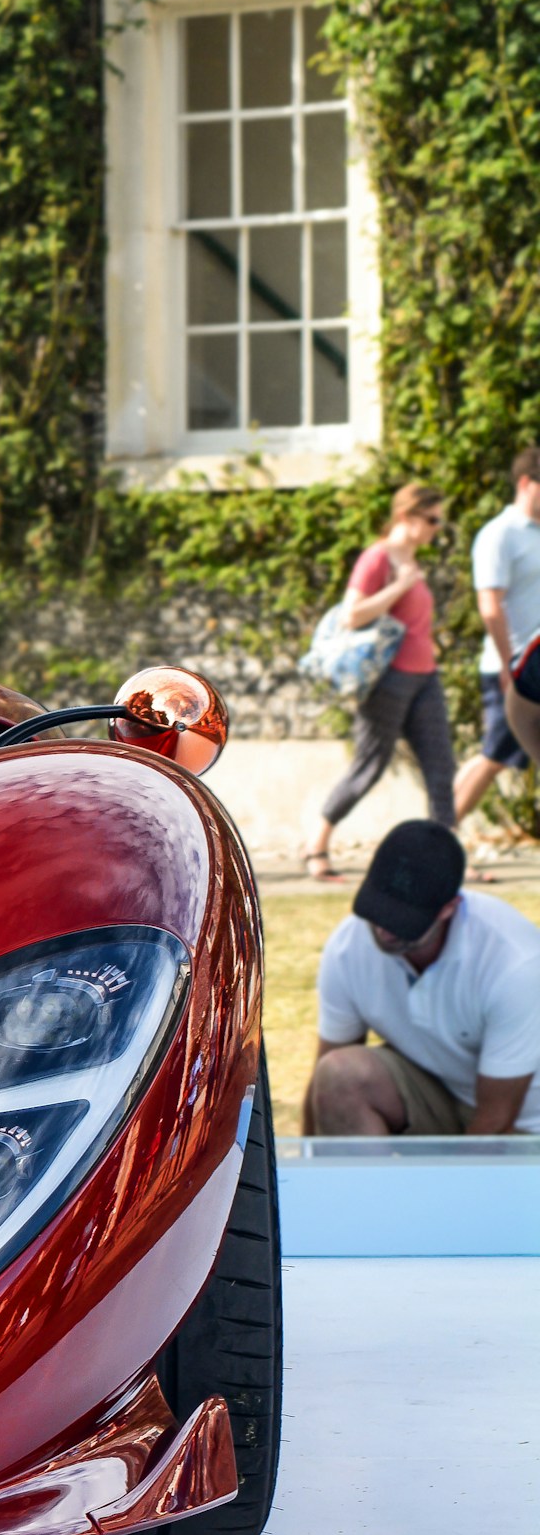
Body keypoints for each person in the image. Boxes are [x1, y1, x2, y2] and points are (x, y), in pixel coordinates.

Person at [306, 820, 540, 1135]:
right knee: (338, 1074)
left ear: (449, 908)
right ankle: (363, 1186)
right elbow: (324, 1072)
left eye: (402, 919)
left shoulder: (515, 964)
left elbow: (496, 1122)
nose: (384, 929)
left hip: (522, 1126)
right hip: (441, 1092)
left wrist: (454, 1185)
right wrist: (294, 1176)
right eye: (379, 908)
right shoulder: (348, 946)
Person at [303, 482, 452, 879]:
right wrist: (401, 585)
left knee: (441, 767)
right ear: (407, 516)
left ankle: (447, 862)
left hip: (426, 678)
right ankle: (316, 845)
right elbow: (352, 615)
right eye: (433, 519)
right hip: (388, 680)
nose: (438, 527)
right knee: (370, 765)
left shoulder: (412, 558)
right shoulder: (377, 559)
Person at [454, 446, 540, 825]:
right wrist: (508, 664)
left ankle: (440, 832)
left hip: (533, 665)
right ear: (526, 483)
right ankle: (438, 839)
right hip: (512, 668)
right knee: (492, 758)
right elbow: (490, 605)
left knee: (494, 757)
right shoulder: (499, 535)